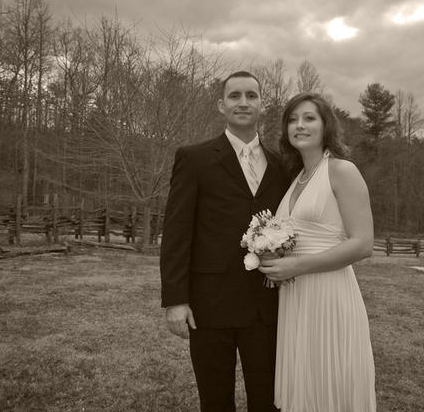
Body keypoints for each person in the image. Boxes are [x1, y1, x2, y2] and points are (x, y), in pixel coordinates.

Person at [160, 71, 289, 412]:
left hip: (268, 305)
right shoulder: (194, 158)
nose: (243, 102)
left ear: (262, 104)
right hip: (209, 305)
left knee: (269, 400)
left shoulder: (282, 164)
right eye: (235, 96)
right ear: (221, 105)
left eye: (251, 95)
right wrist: (176, 299)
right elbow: (176, 232)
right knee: (215, 400)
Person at [259, 92, 377, 411]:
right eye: (292, 120)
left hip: (328, 291)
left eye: (309, 118)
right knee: (303, 379)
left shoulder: (342, 171)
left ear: (326, 126)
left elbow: (363, 243)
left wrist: (299, 267)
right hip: (295, 297)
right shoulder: (294, 178)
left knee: (330, 378)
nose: (299, 125)